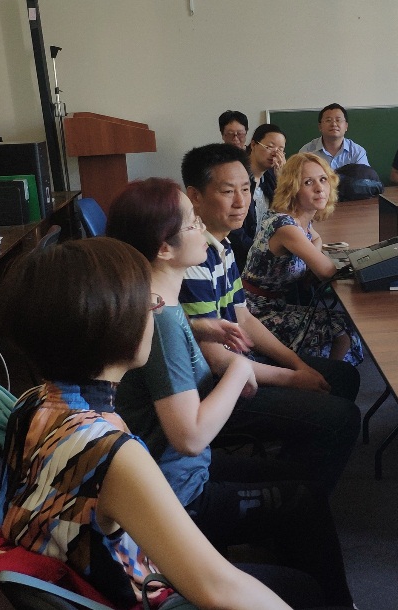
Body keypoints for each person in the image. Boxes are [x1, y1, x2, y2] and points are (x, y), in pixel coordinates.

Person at [0, 237, 332, 609]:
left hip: (85, 573)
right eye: (148, 303)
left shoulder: (33, 402)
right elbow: (219, 587)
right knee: (303, 590)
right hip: (142, 592)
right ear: (111, 327)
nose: (156, 311)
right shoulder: (112, 453)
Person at [107, 179, 354, 606]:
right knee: (306, 502)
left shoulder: (155, 301)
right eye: (192, 223)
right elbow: (188, 437)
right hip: (180, 495)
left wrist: (199, 327)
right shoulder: (161, 320)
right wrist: (239, 370)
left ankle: (287, 569)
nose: (202, 228)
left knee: (301, 486)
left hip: (179, 474)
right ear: (164, 248)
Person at [177, 143, 361, 494]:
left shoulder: (222, 247)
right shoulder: (195, 259)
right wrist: (293, 378)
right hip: (214, 389)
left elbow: (244, 318)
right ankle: (298, 499)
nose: (241, 202)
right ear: (195, 196)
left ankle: (292, 473)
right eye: (227, 191)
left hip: (240, 364)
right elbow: (216, 360)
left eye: (246, 189)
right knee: (342, 417)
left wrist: (296, 365)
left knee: (344, 376)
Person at [243, 152, 363, 365]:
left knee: (341, 322)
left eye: (323, 179)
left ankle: (323, 370)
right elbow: (327, 272)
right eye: (308, 182)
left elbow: (315, 238)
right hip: (257, 313)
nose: (319, 188)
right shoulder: (285, 226)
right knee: (342, 328)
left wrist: (310, 258)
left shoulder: (300, 219)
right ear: (293, 188)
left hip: (274, 303)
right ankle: (328, 377)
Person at [231, 123, 288, 269]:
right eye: (270, 147)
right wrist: (260, 254)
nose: (275, 154)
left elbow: (285, 215)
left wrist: (282, 181)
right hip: (244, 259)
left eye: (280, 150)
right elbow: (235, 232)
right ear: (253, 145)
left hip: (269, 253)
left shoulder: (271, 177)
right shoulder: (238, 179)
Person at [298, 103, 368, 169]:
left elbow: (364, 177)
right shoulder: (307, 152)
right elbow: (298, 176)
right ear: (320, 126)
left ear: (346, 126)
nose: (334, 124)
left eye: (338, 120)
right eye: (328, 120)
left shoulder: (357, 152)